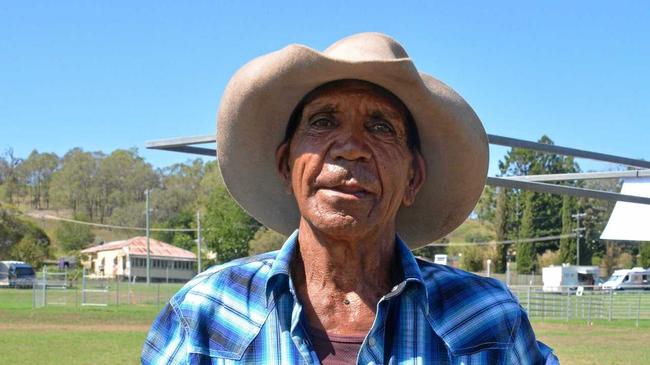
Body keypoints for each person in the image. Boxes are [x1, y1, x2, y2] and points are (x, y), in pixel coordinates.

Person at [142, 32, 558, 364]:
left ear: (413, 178)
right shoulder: (207, 315)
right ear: (287, 165)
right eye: (323, 122)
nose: (350, 148)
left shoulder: (485, 321)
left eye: (380, 128)